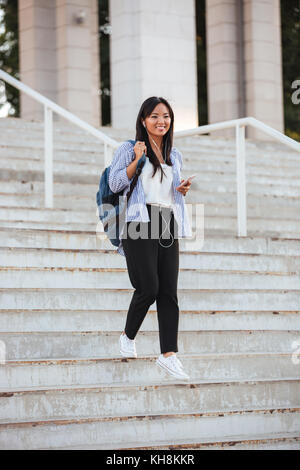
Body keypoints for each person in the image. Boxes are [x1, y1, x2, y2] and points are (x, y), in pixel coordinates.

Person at [108, 96, 193, 380]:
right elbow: (116, 183)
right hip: (138, 220)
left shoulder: (174, 154)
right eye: (155, 116)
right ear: (144, 120)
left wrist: (180, 190)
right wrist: (136, 159)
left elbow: (167, 192)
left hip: (166, 220)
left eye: (166, 116)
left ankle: (169, 354)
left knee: (169, 291)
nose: (161, 121)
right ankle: (127, 337)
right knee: (149, 287)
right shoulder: (129, 148)